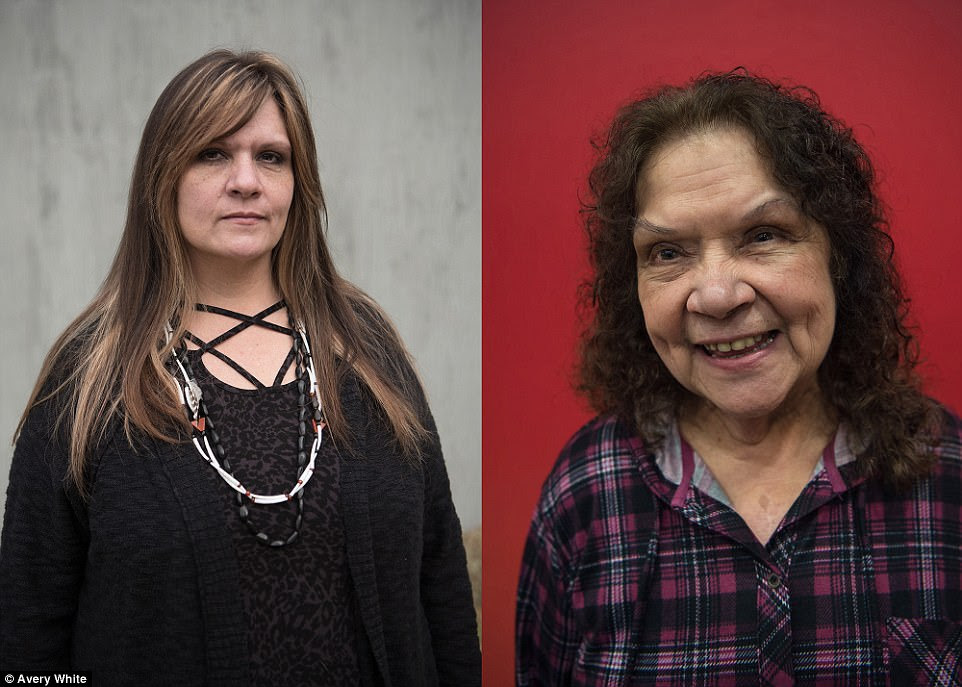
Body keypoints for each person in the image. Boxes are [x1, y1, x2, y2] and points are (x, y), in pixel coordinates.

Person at [0, 49, 480, 686]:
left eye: (271, 157)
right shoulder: (87, 379)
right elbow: (28, 643)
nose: (246, 181)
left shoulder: (366, 351)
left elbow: (440, 585)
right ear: (162, 175)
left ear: (296, 182)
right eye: (213, 153)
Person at [516, 71, 961, 685]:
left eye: (763, 235)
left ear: (838, 256)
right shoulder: (585, 496)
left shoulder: (949, 479)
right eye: (668, 253)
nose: (718, 295)